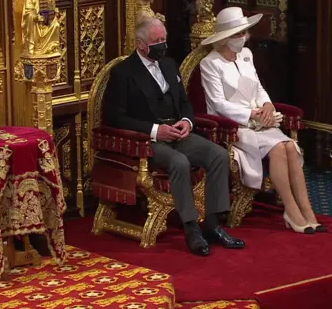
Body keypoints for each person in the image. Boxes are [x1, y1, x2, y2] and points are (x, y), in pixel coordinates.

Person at [104, 17, 245, 256]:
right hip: (147, 139)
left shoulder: (169, 65)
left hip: (178, 132)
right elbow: (116, 118)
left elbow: (184, 102)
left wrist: (187, 122)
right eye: (156, 41)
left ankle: (212, 224)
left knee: (219, 155)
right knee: (179, 162)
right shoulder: (123, 72)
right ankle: (192, 229)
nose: (162, 45)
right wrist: (155, 131)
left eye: (164, 40)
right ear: (140, 45)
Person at [199, 7, 326, 234]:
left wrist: (267, 105)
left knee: (290, 146)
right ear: (226, 38)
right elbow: (217, 103)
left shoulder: (247, 56)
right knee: (278, 147)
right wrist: (250, 114)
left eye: (245, 33)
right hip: (234, 126)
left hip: (261, 122)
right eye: (239, 34)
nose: (244, 38)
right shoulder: (210, 63)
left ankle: (307, 210)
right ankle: (291, 211)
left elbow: (258, 88)